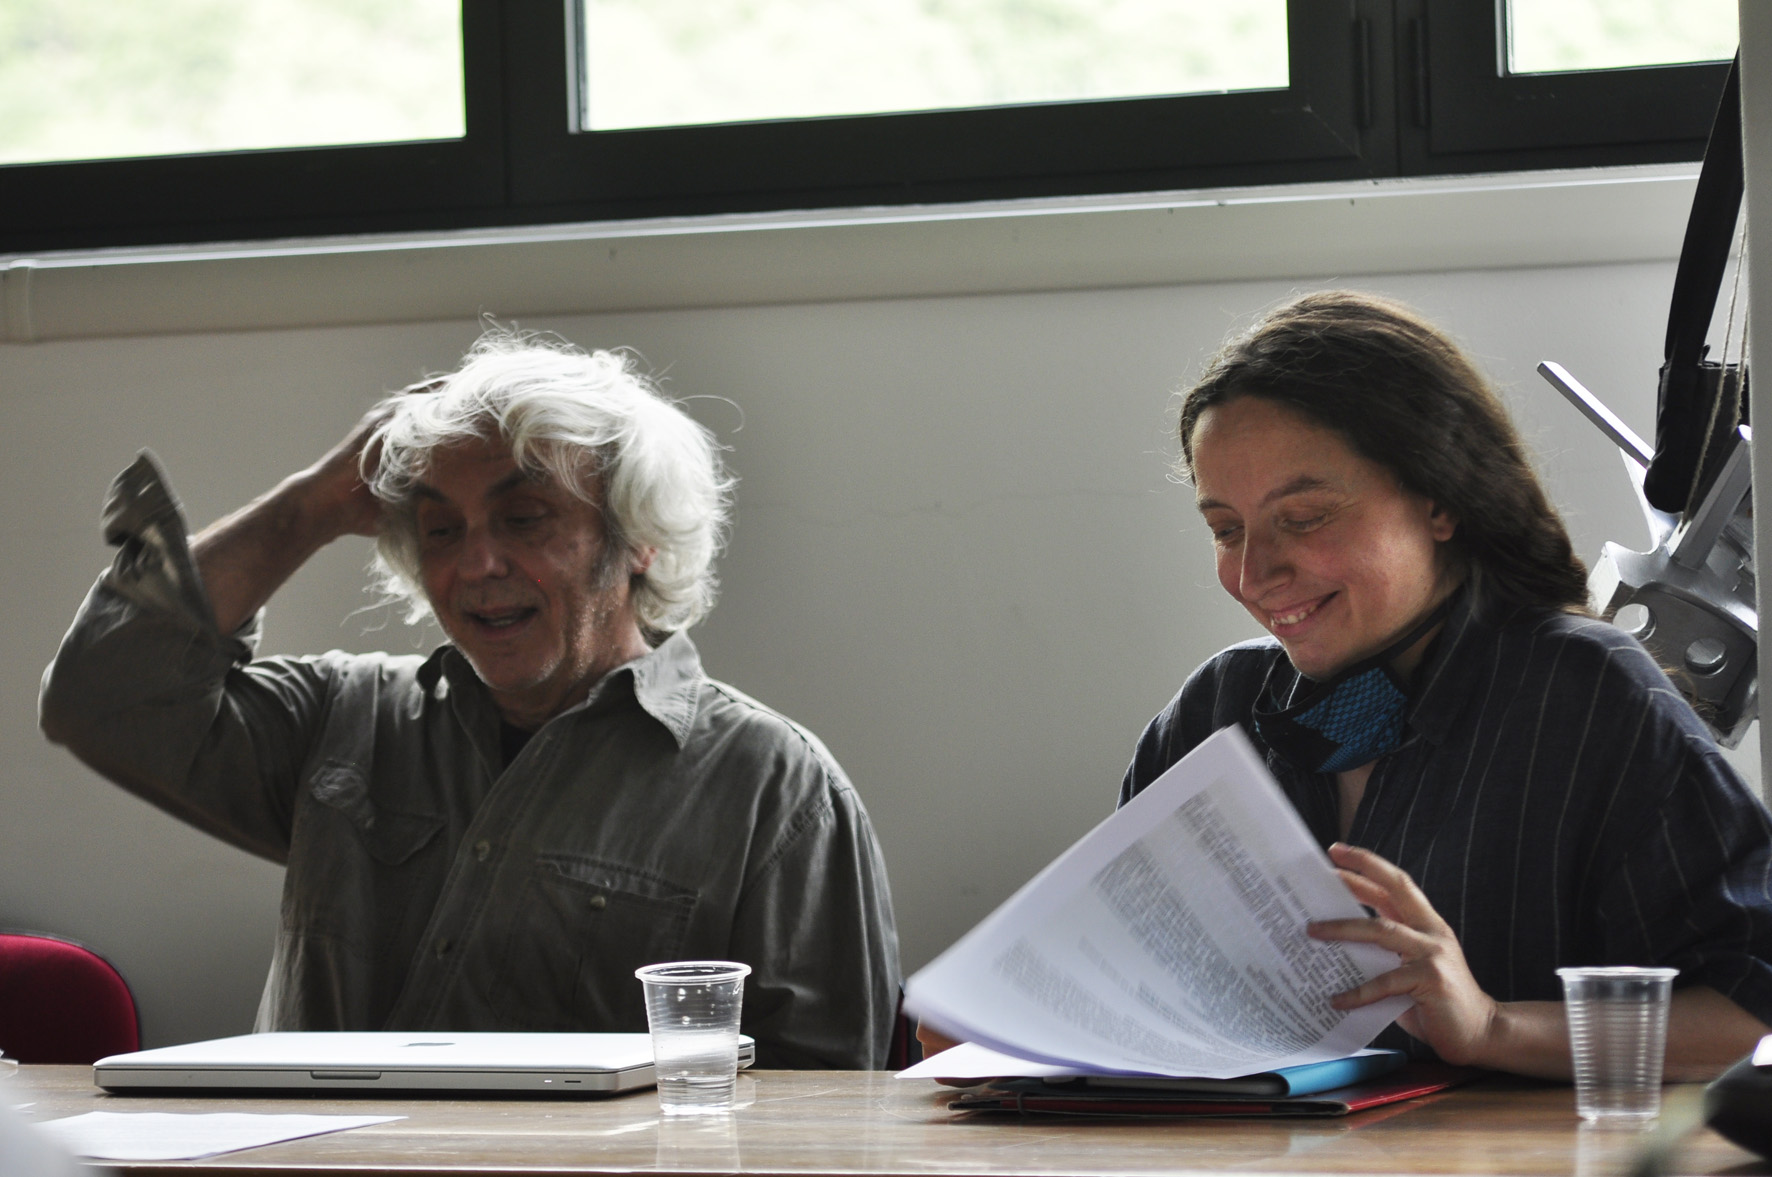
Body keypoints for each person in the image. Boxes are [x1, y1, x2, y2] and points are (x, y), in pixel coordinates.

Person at [40, 331, 900, 1069]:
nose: (473, 565)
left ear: (636, 539)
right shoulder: (344, 717)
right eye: (440, 527)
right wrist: (314, 505)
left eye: (524, 517)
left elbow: (825, 1109)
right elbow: (101, 697)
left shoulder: (776, 790)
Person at [1112, 289, 1772, 1078]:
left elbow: (1750, 1012)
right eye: (1225, 529)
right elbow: (1120, 971)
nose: (1254, 573)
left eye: (1306, 516)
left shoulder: (1586, 695)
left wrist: (1492, 1026)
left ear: (1440, 502)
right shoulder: (1215, 710)